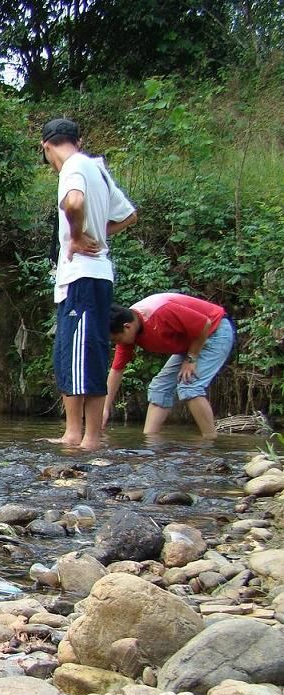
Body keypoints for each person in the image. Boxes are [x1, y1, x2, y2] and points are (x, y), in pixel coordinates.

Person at [40, 117, 138, 451]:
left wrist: (80, 235)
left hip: (85, 275)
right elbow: (128, 215)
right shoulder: (97, 168)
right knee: (68, 354)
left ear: (47, 147)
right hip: (81, 279)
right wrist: (99, 233)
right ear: (76, 140)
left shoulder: (73, 167)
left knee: (87, 355)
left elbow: (75, 203)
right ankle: (72, 433)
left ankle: (91, 437)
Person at [104, 293, 236, 438]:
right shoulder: (128, 330)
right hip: (193, 342)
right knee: (159, 387)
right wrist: (104, 409)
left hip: (215, 331)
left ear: (127, 327)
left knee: (189, 385)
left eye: (116, 339)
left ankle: (209, 441)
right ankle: (150, 443)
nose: (117, 343)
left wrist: (191, 359)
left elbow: (205, 324)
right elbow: (117, 370)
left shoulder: (160, 312)